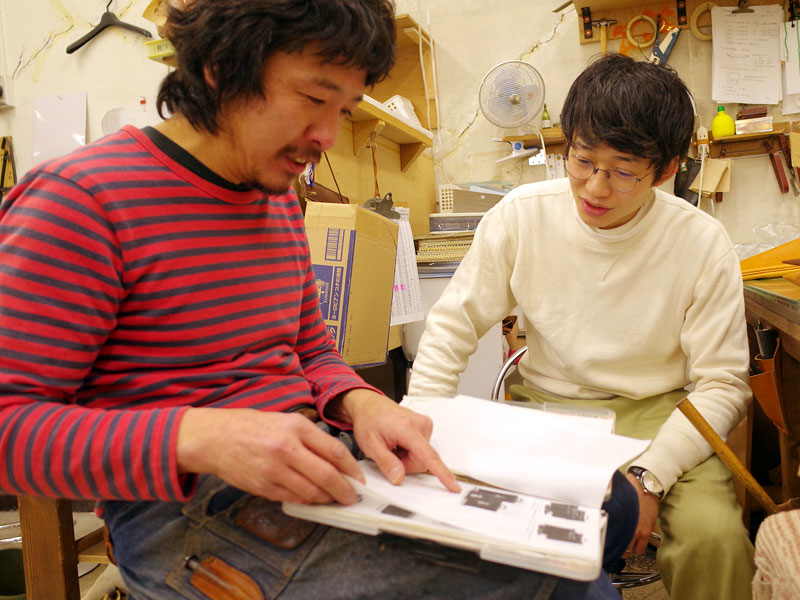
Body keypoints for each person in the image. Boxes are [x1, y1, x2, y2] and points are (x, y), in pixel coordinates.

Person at [0, 1, 629, 598]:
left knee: (608, 506)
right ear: (221, 67)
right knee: (561, 584)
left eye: (345, 108)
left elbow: (311, 351)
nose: (327, 134)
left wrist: (360, 401)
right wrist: (199, 436)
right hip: (185, 512)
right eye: (313, 98)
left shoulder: (273, 196)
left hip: (306, 455)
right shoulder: (81, 202)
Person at [408, 53, 755, 600]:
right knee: (506, 545)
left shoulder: (701, 242)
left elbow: (723, 383)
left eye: (622, 171)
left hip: (663, 414)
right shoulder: (522, 215)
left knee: (714, 539)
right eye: (582, 160)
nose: (594, 188)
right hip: (551, 411)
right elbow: (454, 323)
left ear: (666, 170)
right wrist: (420, 422)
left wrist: (650, 477)